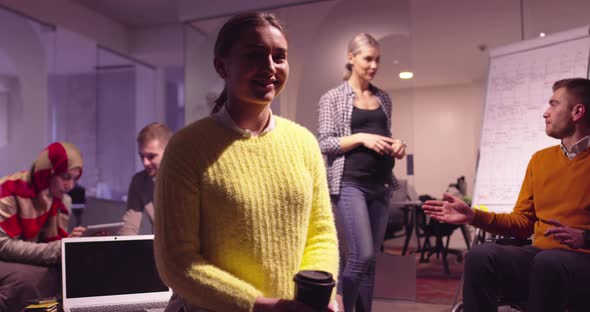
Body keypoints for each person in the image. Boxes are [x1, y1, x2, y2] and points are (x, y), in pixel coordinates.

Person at [154, 12, 339, 312]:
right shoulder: (187, 148)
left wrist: (318, 293)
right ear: (221, 66)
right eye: (254, 55)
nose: (270, 67)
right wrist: (263, 306)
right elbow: (178, 261)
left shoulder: (304, 143)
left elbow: (320, 234)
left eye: (279, 57)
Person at [422, 78, 590, 312]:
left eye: (553, 104)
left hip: (582, 260)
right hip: (542, 255)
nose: (545, 113)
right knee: (481, 255)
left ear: (577, 111)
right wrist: (473, 216)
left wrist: (584, 238)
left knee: (548, 262)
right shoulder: (540, 160)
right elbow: (522, 223)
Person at [317, 33, 406, 312]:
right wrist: (361, 138)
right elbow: (325, 142)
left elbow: (385, 134)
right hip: (350, 184)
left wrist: (397, 144)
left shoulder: (383, 98)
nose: (374, 65)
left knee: (370, 261)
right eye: (368, 58)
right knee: (361, 255)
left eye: (377, 59)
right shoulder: (332, 97)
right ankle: (338, 305)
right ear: (351, 58)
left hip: (381, 185)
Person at [0, 142, 85, 312]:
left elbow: (51, 243)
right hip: (4, 257)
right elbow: (3, 245)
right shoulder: (8, 191)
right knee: (28, 278)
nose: (71, 186)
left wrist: (69, 243)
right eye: (66, 177)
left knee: (72, 272)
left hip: (26, 257)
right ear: (47, 172)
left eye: (75, 179)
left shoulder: (61, 200)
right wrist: (57, 250)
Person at [119, 122, 172, 235]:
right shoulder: (139, 182)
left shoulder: (188, 178)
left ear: (169, 151)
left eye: (151, 156)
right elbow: (129, 227)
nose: (145, 163)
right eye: (141, 156)